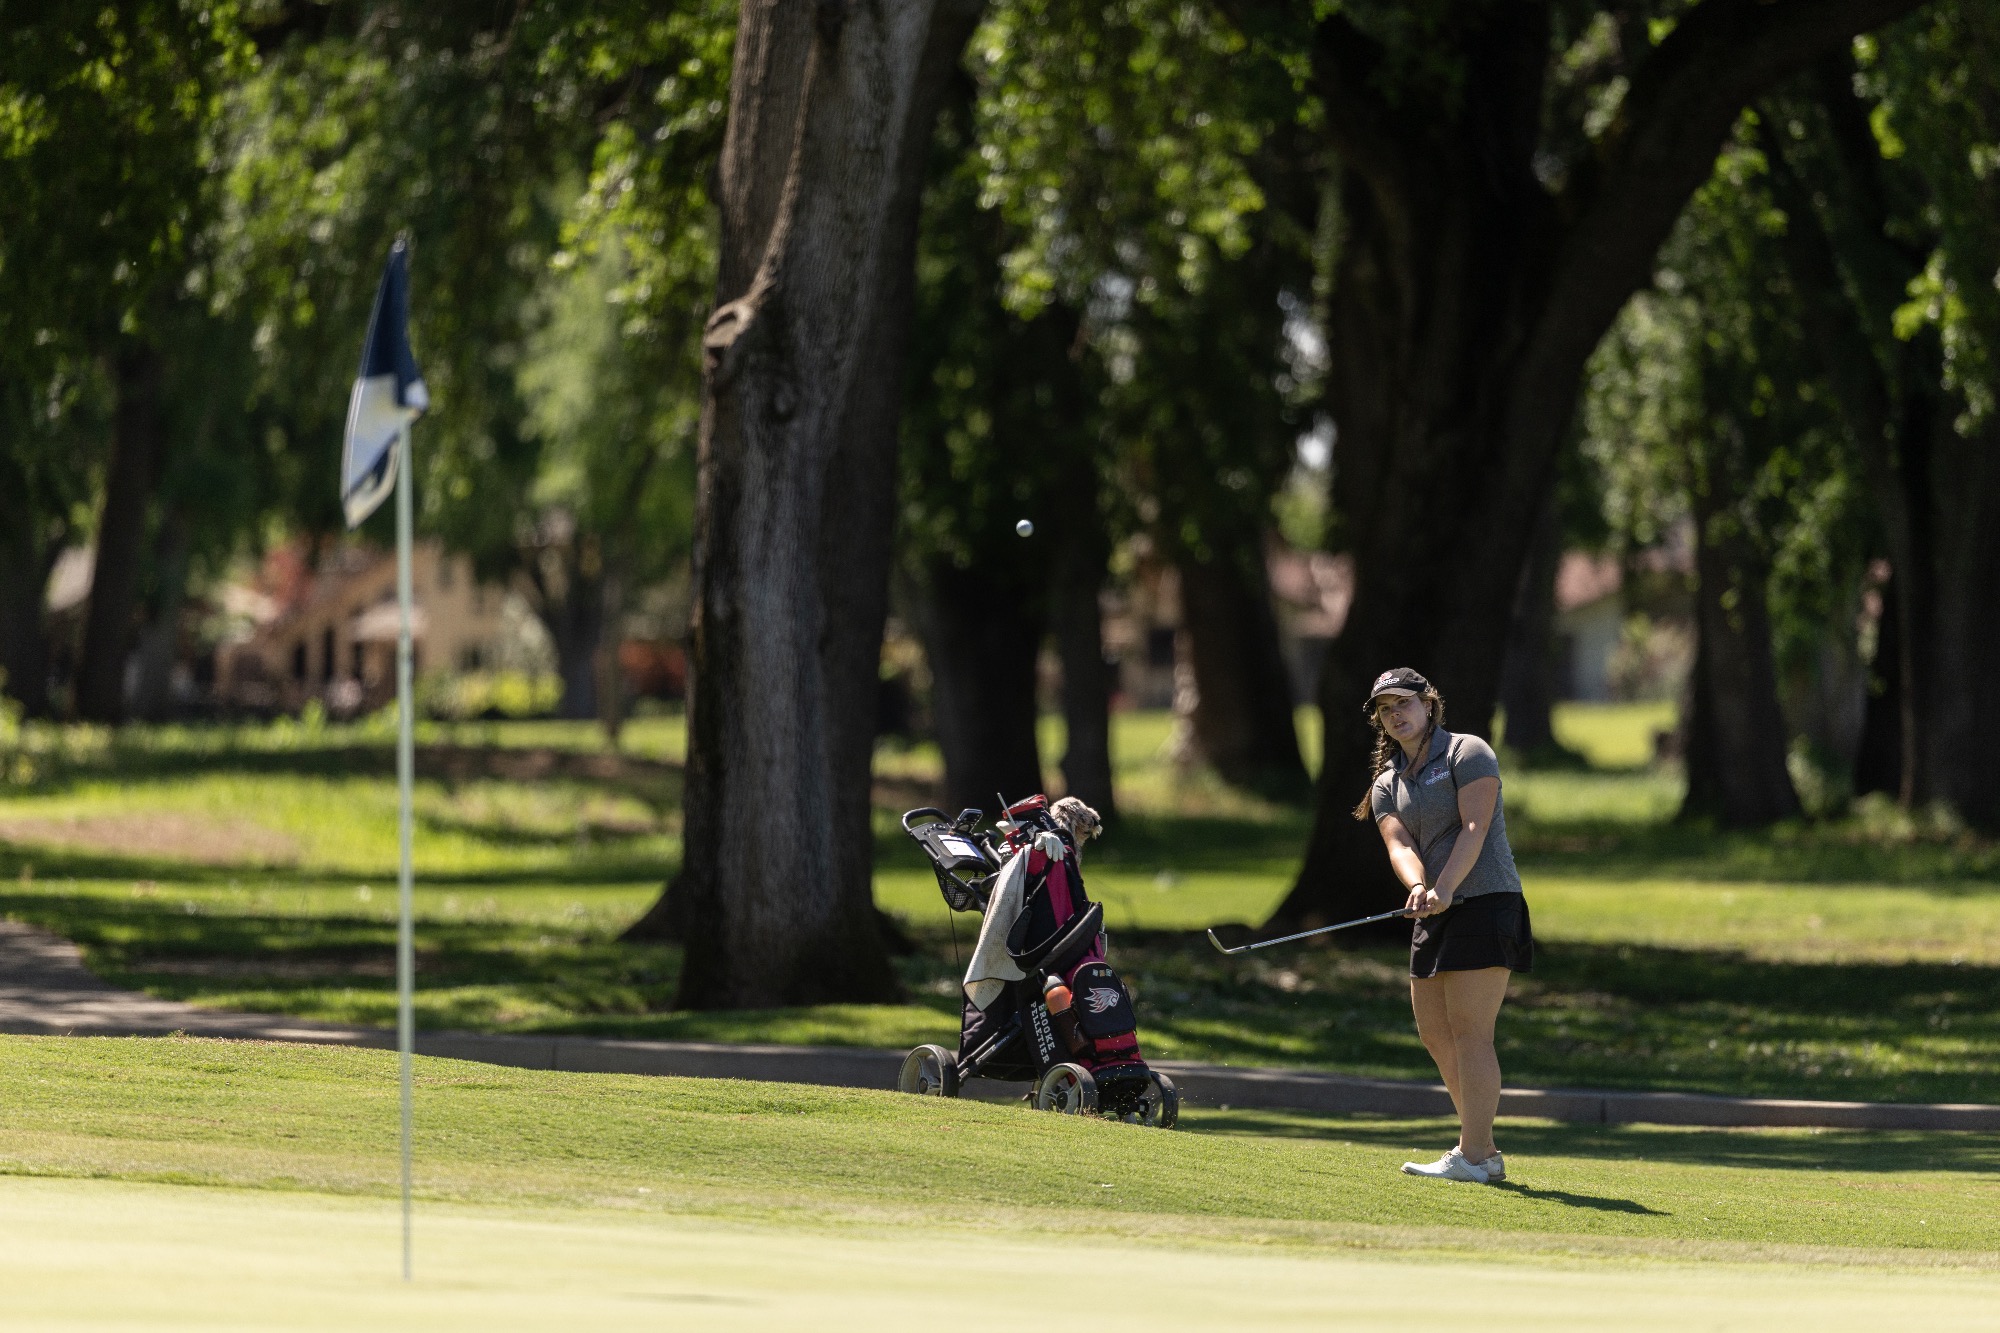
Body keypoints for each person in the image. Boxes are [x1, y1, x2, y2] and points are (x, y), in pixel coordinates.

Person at [1357, 667, 1533, 1185]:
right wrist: (1417, 886)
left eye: (1404, 704)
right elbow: (1399, 845)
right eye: (1386, 709)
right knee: (1434, 1033)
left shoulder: (1467, 752)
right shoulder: (1387, 783)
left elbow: (1476, 827)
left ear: (1428, 705)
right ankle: (1484, 1149)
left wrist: (1447, 886)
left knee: (1470, 1031)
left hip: (1485, 899)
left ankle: (1473, 1155)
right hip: (1434, 905)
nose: (1396, 714)